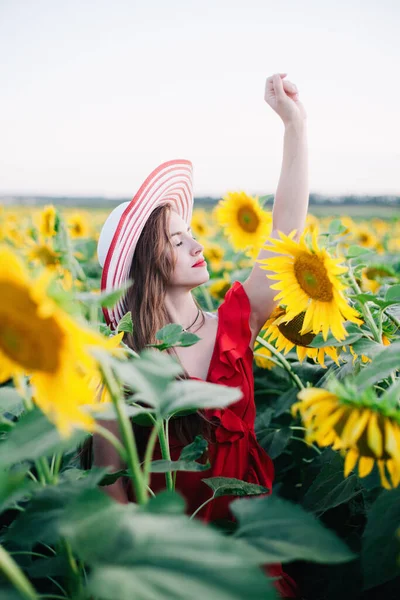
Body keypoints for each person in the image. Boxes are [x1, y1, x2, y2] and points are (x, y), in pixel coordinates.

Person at [86, 72, 309, 598]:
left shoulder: (233, 324)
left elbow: (285, 238)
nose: (194, 244)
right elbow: (110, 482)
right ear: (146, 262)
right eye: (175, 239)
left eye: (191, 234)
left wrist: (295, 126)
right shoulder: (121, 364)